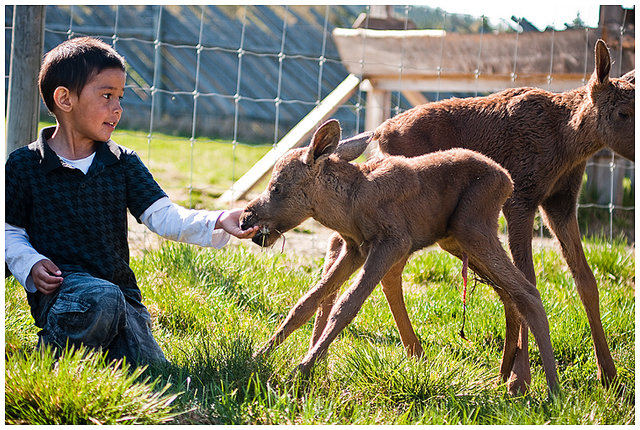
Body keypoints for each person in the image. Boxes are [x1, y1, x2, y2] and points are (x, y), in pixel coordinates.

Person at [5, 36, 259, 366]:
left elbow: (164, 216)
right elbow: (8, 231)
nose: (118, 108)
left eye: (120, 97)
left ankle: (93, 353)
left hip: (122, 295)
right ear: (64, 99)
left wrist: (218, 218)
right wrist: (30, 263)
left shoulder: (121, 163)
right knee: (100, 300)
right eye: (107, 95)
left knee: (151, 369)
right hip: (62, 293)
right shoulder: (24, 164)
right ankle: (50, 354)